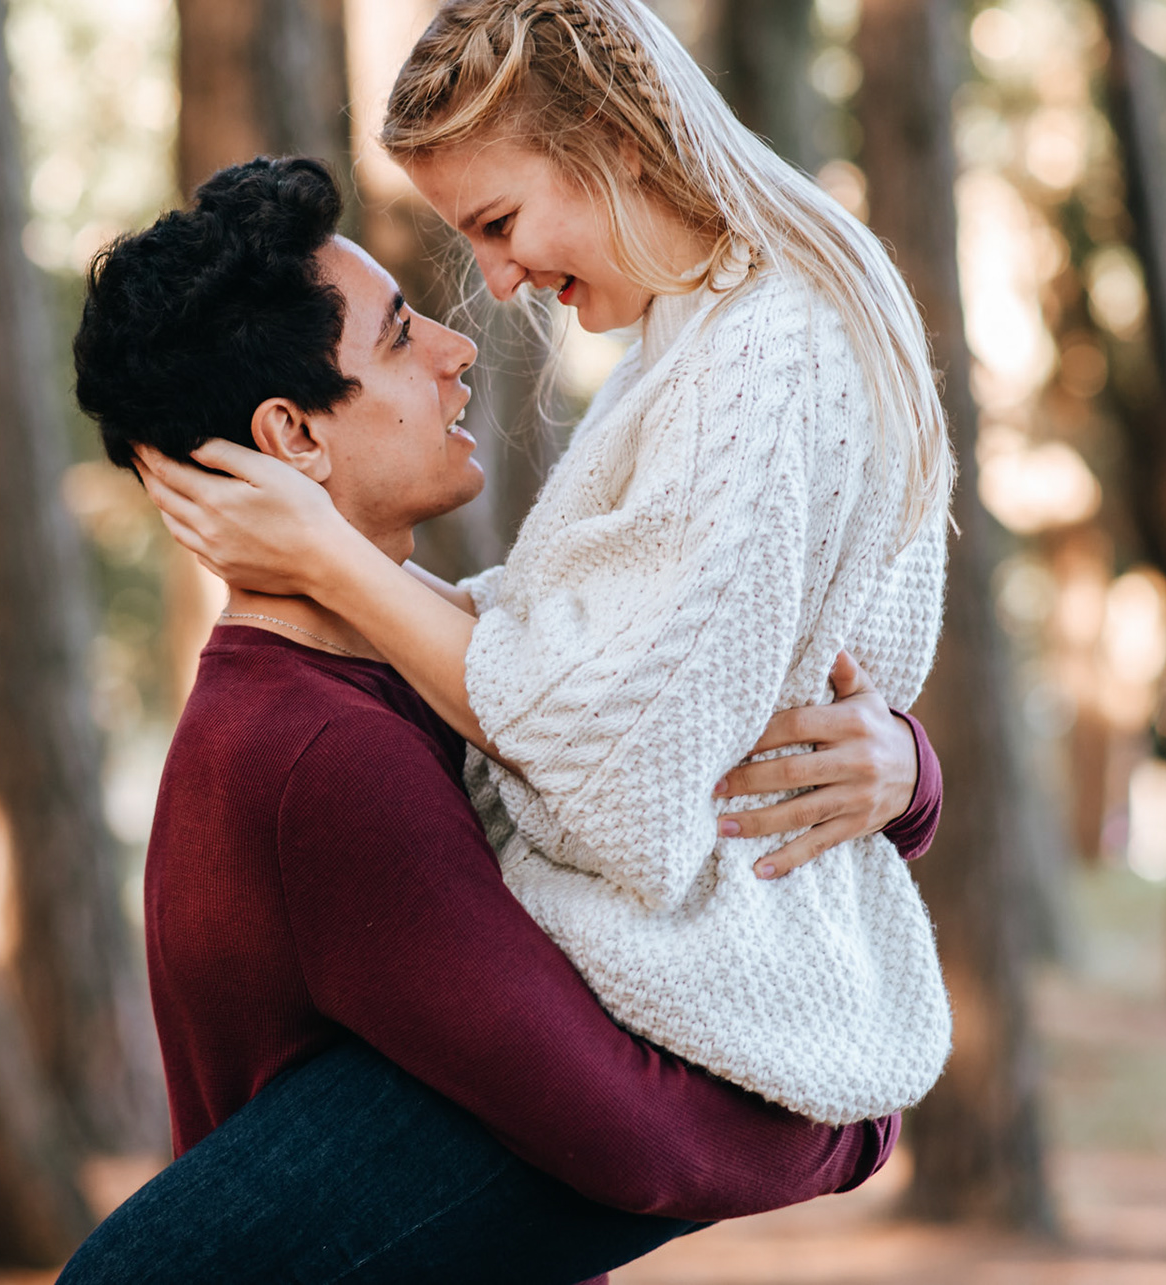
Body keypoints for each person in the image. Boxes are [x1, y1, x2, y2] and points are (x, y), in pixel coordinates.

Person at [59, 158, 944, 1284]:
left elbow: (672, 774)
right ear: (294, 436)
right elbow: (629, 1136)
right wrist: (852, 1117)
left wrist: (901, 774)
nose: (457, 346)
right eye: (397, 337)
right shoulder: (321, 757)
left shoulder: (412, 679)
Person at [139, 0, 954, 1131]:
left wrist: (328, 556)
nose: (500, 283)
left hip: (710, 1008)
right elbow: (598, 653)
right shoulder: (709, 330)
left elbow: (615, 767)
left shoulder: (767, 362)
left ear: (616, 139)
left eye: (500, 219)